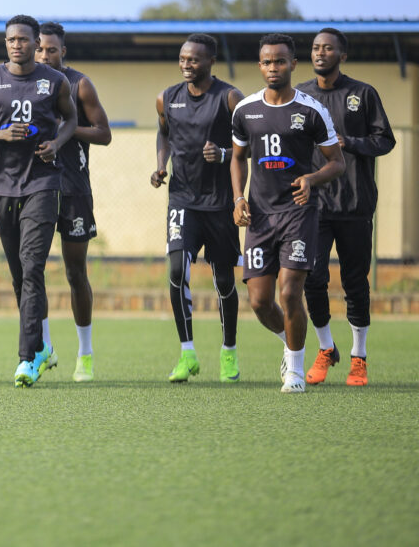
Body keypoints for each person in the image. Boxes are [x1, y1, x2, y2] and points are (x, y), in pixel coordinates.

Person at [0, 14, 78, 387]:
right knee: (19, 275)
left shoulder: (54, 81)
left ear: (35, 43)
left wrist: (56, 144)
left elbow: (71, 120)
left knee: (33, 268)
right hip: (2, 186)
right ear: (6, 43)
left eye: (24, 40)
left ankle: (27, 359)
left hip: (43, 184)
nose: (18, 45)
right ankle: (43, 346)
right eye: (11, 39)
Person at [231, 34, 344, 393]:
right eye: (266, 62)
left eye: (280, 61)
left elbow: (337, 163)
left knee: (290, 291)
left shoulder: (311, 110)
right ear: (259, 65)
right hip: (260, 216)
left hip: (298, 213)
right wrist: (238, 198)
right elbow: (237, 158)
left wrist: (311, 179)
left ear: (294, 64)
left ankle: (295, 371)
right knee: (260, 301)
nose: (273, 68)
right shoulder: (244, 110)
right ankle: (290, 342)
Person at [296, 28, 395, 387]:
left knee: (355, 283)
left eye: (328, 48)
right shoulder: (300, 96)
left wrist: (348, 141)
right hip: (313, 205)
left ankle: (359, 357)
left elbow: (385, 139)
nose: (320, 53)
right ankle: (325, 348)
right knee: (313, 277)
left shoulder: (362, 94)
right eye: (315, 48)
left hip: (355, 203)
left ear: (343, 55)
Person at [150, 34, 244, 383]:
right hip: (182, 200)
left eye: (194, 59)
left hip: (219, 204)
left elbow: (249, 142)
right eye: (182, 58)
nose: (186, 64)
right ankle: (187, 353)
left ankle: (229, 351)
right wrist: (162, 165)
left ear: (210, 62)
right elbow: (163, 135)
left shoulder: (229, 97)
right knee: (177, 271)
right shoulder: (167, 98)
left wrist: (222, 154)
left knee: (223, 281)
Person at [36, 22, 111, 382]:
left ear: (63, 51)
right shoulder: (22, 84)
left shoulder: (79, 84)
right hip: (34, 188)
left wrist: (64, 127)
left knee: (73, 272)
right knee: (32, 272)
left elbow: (104, 133)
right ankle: (44, 348)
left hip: (73, 188)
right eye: (40, 49)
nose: (45, 55)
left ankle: (85, 353)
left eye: (51, 49)